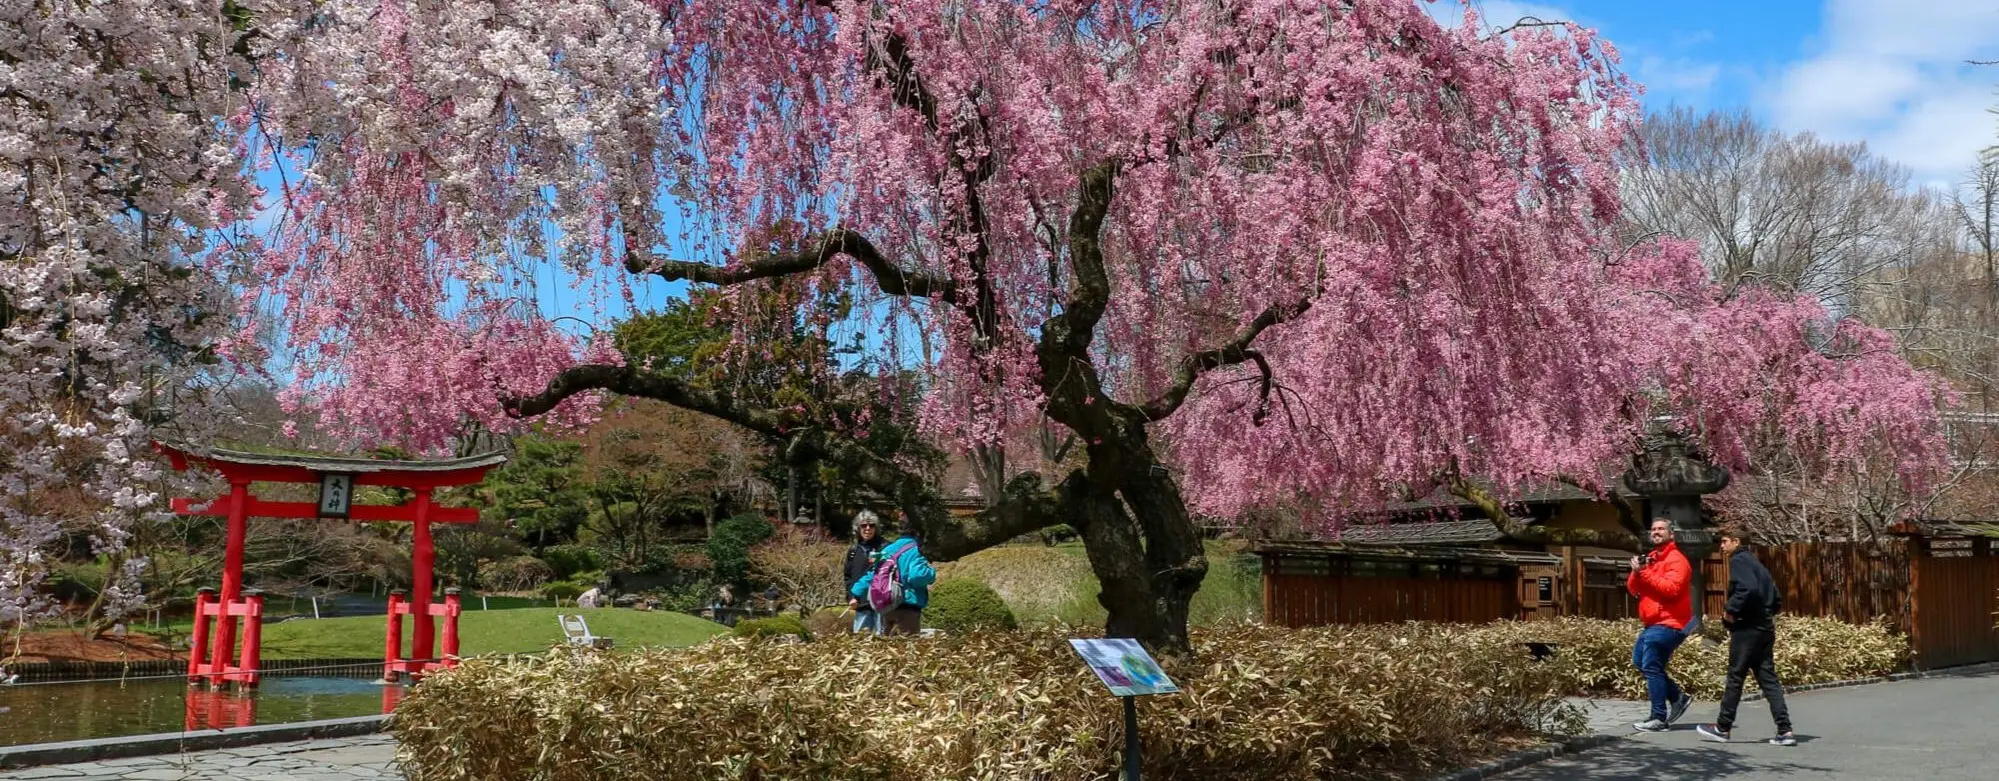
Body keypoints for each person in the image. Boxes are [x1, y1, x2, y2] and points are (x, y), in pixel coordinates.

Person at [1696, 524, 1797, 746]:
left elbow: (1747, 589)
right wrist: (1765, 614)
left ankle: (1722, 728)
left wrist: (1731, 610)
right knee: (1768, 679)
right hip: (1765, 628)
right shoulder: (1757, 564)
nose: (1721, 546)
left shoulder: (1739, 560)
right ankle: (1785, 730)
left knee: (1735, 677)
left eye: (1724, 541)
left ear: (1736, 542)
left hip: (1747, 629)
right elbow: (1776, 597)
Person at [1628, 517, 1696, 732]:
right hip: (1653, 622)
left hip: (1671, 622)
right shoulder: (1652, 558)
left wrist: (1645, 572)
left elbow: (1671, 589)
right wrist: (1636, 571)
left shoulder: (1677, 560)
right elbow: (1633, 589)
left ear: (1671, 534)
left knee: (1651, 666)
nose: (1656, 532)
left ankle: (1658, 717)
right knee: (1639, 661)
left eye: (1661, 529)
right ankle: (1678, 697)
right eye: (1653, 529)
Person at [849, 520, 936, 636]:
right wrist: (932, 573)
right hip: (907, 605)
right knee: (907, 648)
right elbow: (917, 576)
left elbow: (872, 575)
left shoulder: (888, 550)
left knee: (890, 647)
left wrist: (855, 594)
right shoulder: (916, 550)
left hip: (888, 605)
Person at [843, 510, 889, 634]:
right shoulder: (853, 550)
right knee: (860, 643)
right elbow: (848, 577)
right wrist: (851, 597)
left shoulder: (885, 547)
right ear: (858, 528)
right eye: (863, 526)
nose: (867, 529)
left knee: (884, 643)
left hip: (882, 603)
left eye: (871, 525)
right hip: (861, 604)